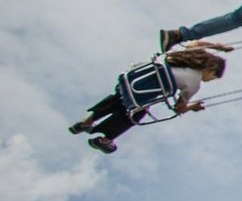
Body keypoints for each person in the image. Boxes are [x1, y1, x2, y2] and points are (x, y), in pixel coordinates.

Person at [69, 41, 231, 154]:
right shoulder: (194, 84)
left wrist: (217, 46)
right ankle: (104, 140)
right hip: (141, 97)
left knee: (120, 98)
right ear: (210, 69)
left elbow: (195, 44)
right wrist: (192, 107)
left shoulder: (183, 58)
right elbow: (179, 108)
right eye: (214, 77)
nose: (210, 80)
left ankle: (86, 122)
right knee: (137, 112)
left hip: (132, 80)